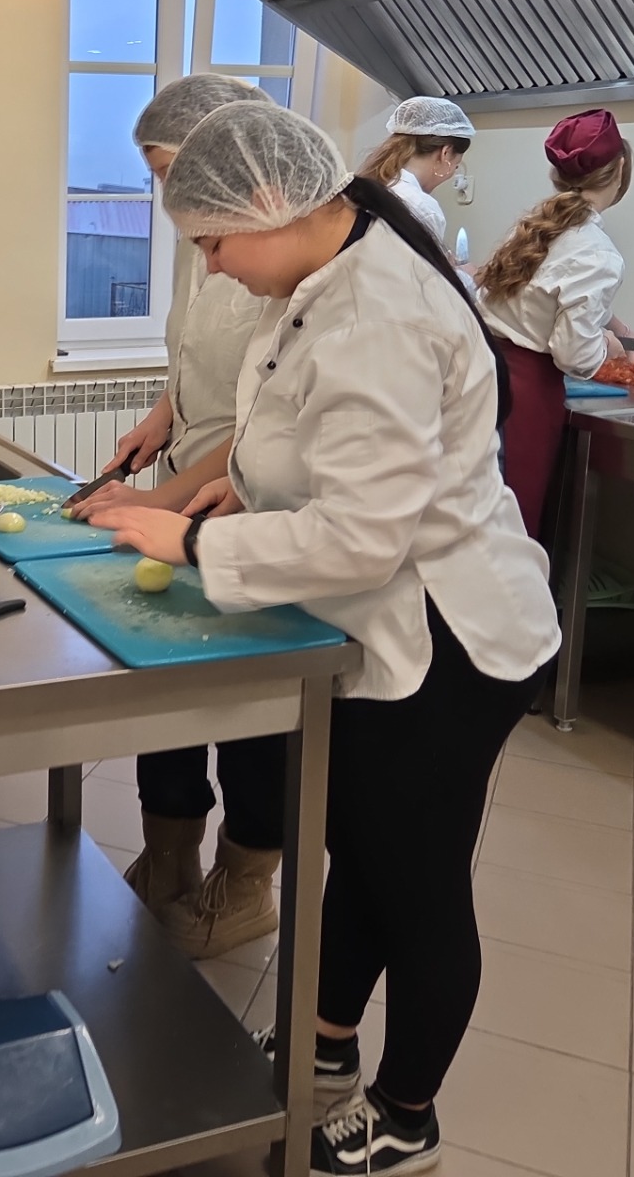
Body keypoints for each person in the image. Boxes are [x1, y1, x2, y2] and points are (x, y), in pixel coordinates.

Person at [88, 102, 559, 1175]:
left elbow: (361, 535)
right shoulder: (319, 281)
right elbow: (298, 445)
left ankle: (405, 1115)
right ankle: (325, 1046)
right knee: (362, 851)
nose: (211, 267)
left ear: (271, 202)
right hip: (375, 626)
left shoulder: (377, 314)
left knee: (416, 882)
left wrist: (192, 542)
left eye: (213, 242)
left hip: (450, 638)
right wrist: (231, 495)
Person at [78, 75, 283, 960]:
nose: (169, 196)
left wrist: (151, 505)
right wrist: (158, 419)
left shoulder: (278, 260)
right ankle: (168, 860)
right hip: (185, 482)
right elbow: (194, 358)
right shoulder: (204, 251)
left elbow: (266, 419)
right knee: (169, 688)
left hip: (249, 501)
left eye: (172, 172)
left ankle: (246, 884)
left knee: (247, 710)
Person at [476, 108, 634, 540]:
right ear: (620, 169)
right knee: (507, 527)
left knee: (473, 519)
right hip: (522, 396)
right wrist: (607, 346)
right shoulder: (597, 252)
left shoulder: (534, 228)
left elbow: (532, 300)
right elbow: (573, 354)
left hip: (480, 374)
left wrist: (609, 322)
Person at [356, 96, 474, 250]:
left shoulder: (372, 186)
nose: (452, 172)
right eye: (456, 165)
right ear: (445, 153)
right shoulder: (422, 208)